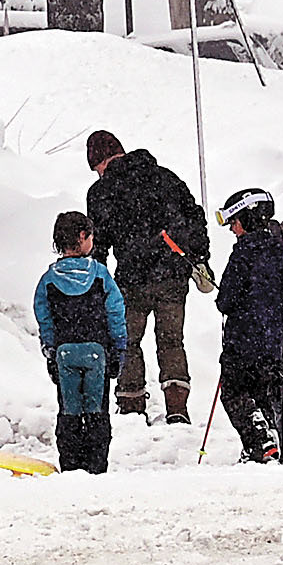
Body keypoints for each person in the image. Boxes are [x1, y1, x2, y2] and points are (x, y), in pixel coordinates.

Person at [84, 128, 210, 422]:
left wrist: (96, 280)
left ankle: (131, 405)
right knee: (171, 342)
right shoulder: (165, 177)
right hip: (172, 276)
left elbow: (98, 241)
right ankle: (177, 409)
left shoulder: (102, 192)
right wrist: (200, 257)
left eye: (96, 168)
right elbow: (194, 217)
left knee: (128, 341)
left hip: (131, 279)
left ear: (100, 161)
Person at [214, 187, 283, 464]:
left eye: (234, 222)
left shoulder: (242, 254)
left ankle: (260, 439)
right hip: (272, 342)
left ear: (248, 219)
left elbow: (225, 300)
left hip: (242, 340)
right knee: (263, 393)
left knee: (233, 393)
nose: (232, 229)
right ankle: (265, 447)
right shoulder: (275, 253)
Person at [33, 210, 128, 474]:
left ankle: (72, 465)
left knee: (70, 410)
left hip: (65, 353)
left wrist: (50, 350)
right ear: (83, 236)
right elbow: (116, 311)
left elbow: (45, 318)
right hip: (97, 352)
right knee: (97, 410)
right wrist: (119, 347)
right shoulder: (100, 275)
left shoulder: (48, 280)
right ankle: (97, 466)